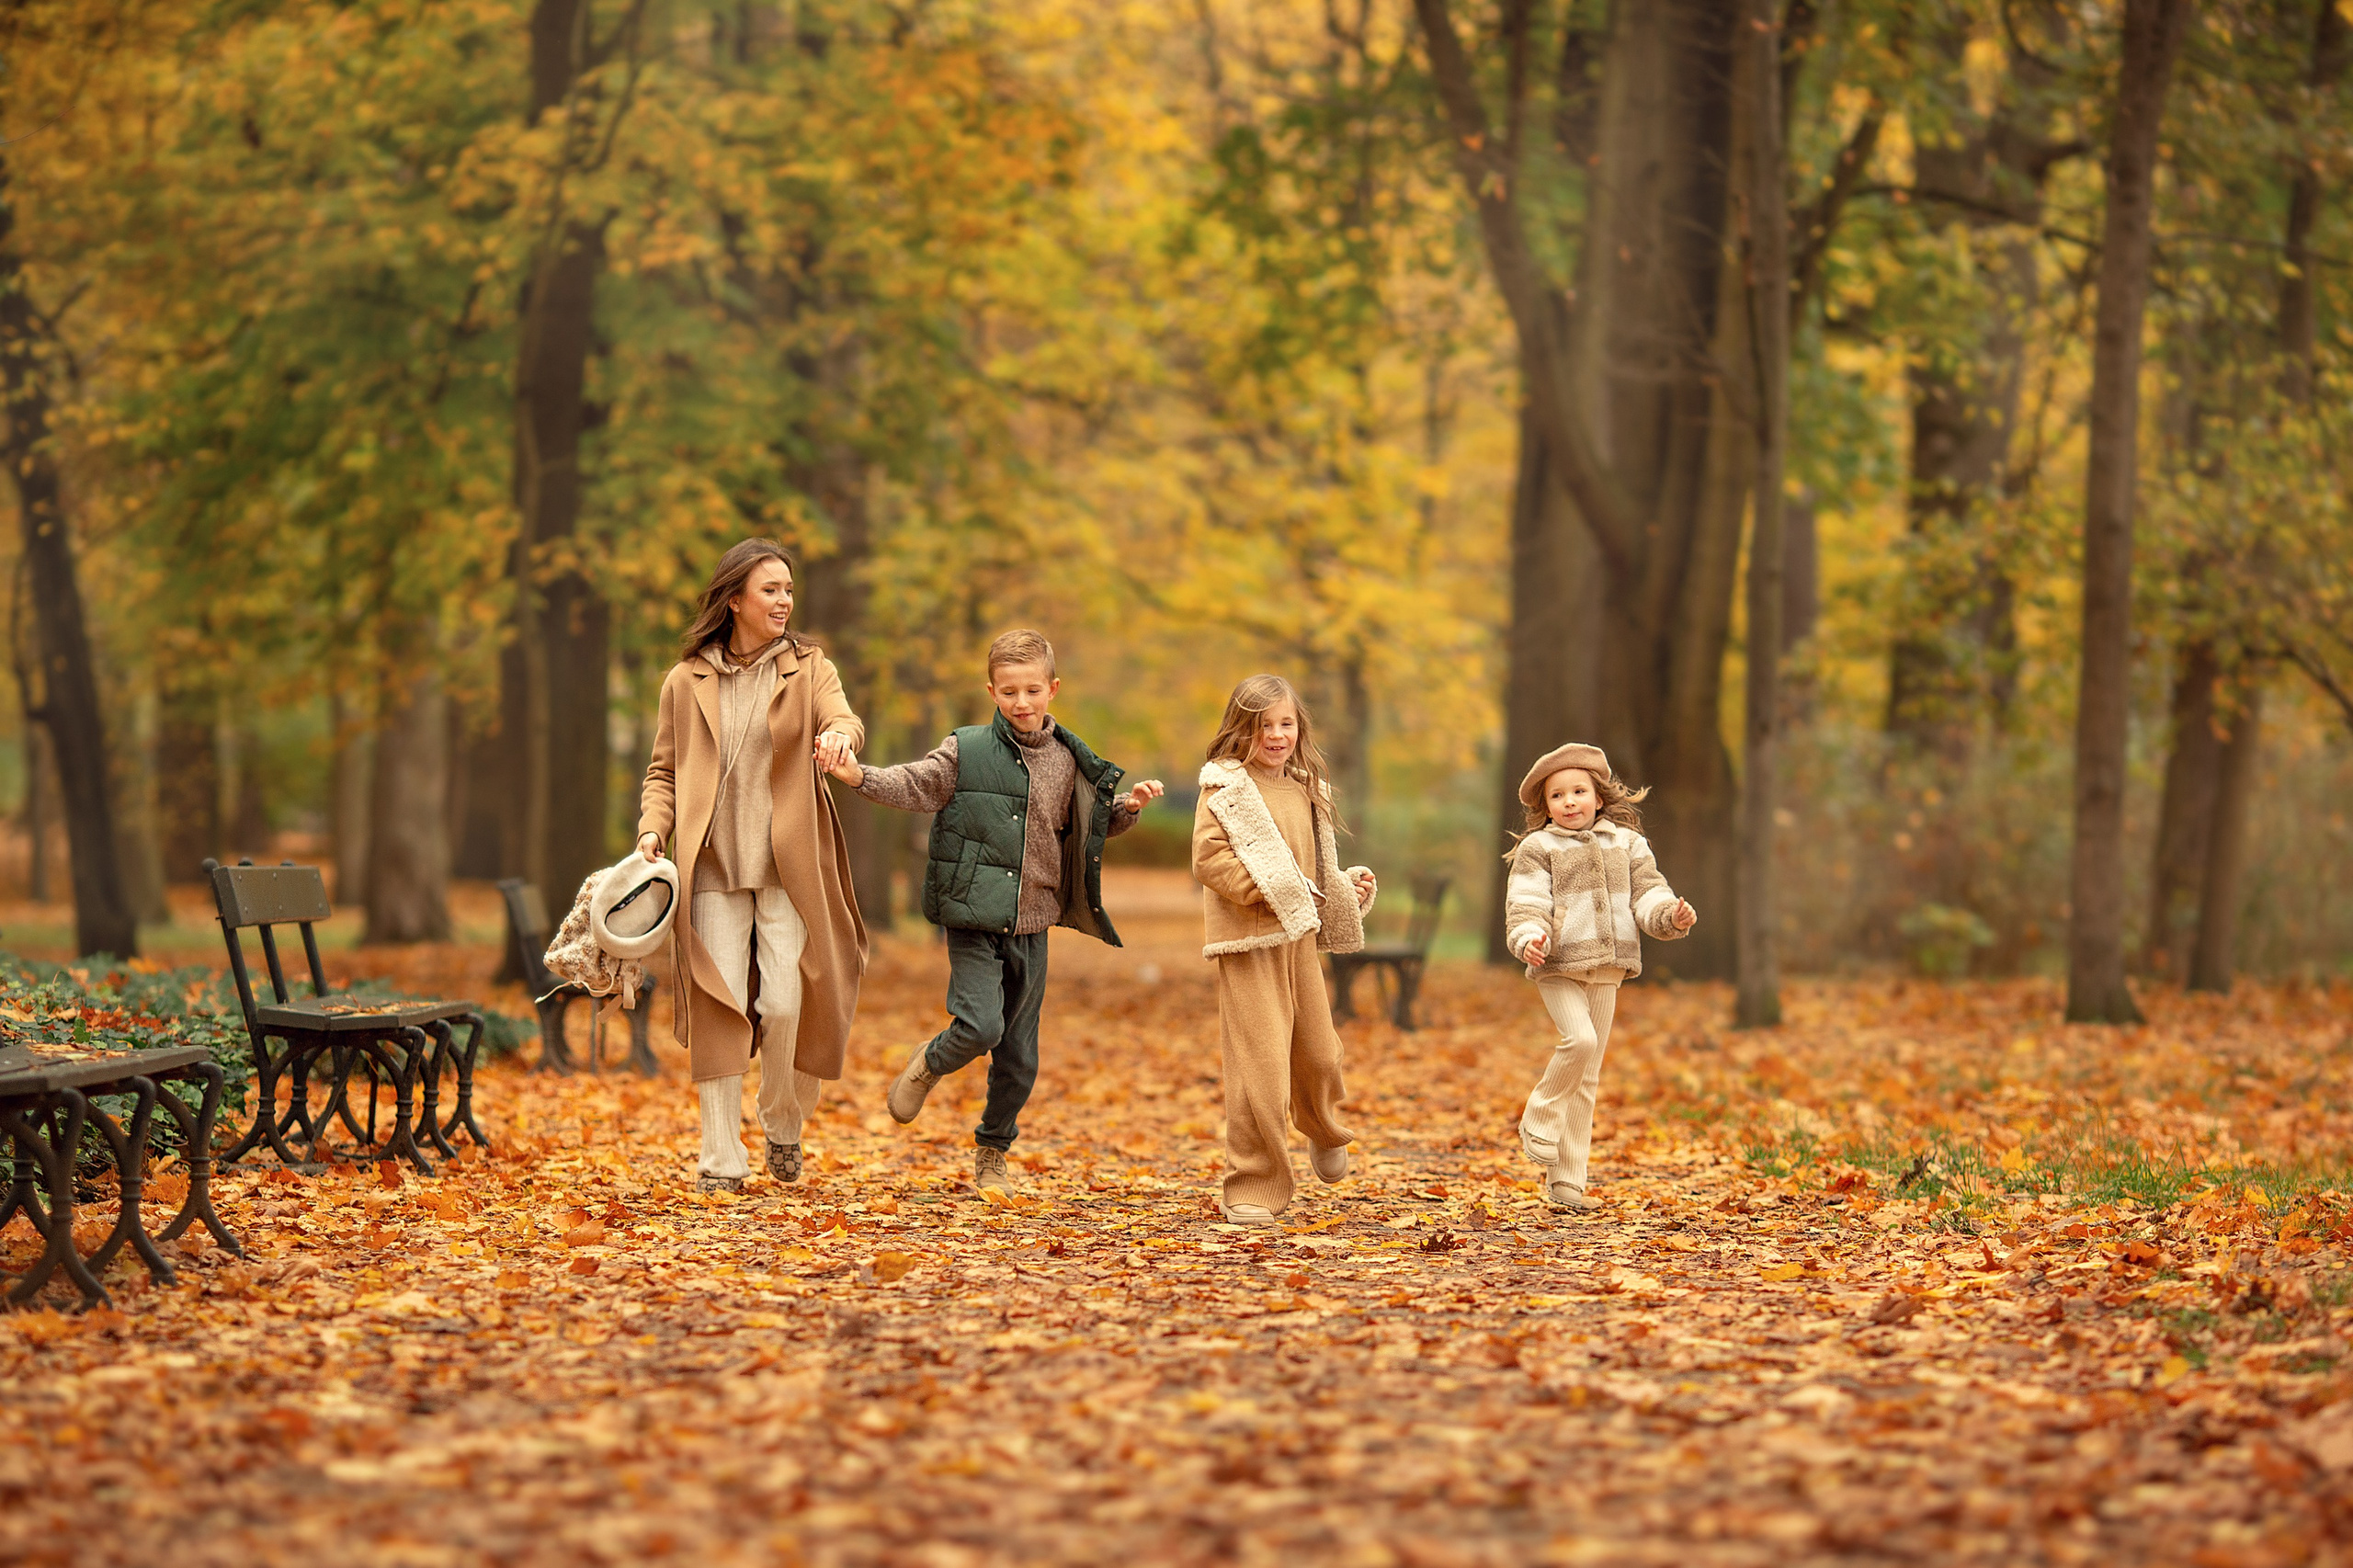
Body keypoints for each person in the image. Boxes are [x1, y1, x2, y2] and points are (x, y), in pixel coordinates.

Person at [823, 630, 1165, 1192]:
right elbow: (916, 784)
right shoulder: (967, 749)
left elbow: (1088, 827)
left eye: (1033, 690)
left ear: (1053, 689)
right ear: (992, 692)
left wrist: (1130, 809)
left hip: (1033, 923)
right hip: (973, 917)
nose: (1022, 703)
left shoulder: (1069, 761)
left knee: (1019, 1057)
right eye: (1009, 692)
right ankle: (931, 1061)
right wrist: (858, 776)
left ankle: (993, 1150)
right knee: (981, 1024)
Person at [635, 540, 868, 1193]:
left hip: (786, 868)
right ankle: (720, 1159)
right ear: (734, 599)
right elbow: (663, 773)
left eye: (789, 590)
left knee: (787, 1002)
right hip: (711, 867)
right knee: (722, 1008)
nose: (785, 601)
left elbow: (842, 715)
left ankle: (783, 1117)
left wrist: (840, 738)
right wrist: (654, 830)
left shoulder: (808, 667)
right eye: (771, 590)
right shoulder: (686, 681)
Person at [1189, 675, 1378, 1228]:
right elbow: (1209, 859)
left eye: (1285, 724)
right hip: (1247, 941)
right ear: (1240, 730)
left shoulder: (1305, 788)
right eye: (1262, 725)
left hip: (1297, 938)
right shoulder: (1224, 788)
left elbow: (1309, 867)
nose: (1275, 735)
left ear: (1300, 728)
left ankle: (1321, 1126)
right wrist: (1263, 892)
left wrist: (1344, 888)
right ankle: (1253, 1183)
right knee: (1261, 1067)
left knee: (1321, 1053)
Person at [1501, 743, 1697, 1213]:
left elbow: (1648, 894)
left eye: (1579, 792)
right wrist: (1529, 936)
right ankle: (1539, 1118)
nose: (1569, 802)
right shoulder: (1538, 848)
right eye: (1557, 796)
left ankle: (1568, 1180)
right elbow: (1525, 904)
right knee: (1579, 1042)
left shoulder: (1628, 844)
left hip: (1609, 967)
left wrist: (1670, 916)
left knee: (1587, 1079)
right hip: (1557, 966)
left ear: (1599, 797)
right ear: (1544, 806)